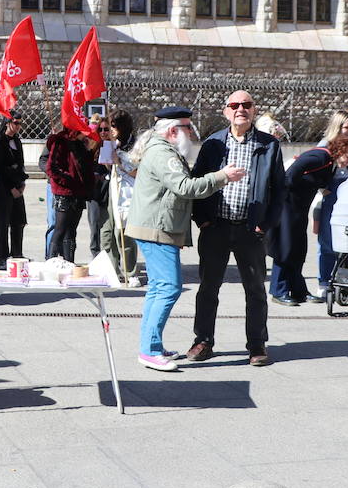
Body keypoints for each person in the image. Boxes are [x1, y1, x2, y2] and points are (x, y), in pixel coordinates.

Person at [125, 108, 241, 372]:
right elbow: (185, 187)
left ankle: (151, 345)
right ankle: (150, 350)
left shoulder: (162, 150)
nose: (191, 133)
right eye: (188, 128)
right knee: (168, 288)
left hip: (156, 226)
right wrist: (222, 176)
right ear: (172, 131)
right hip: (157, 228)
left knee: (158, 289)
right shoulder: (163, 153)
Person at [188, 90, 287, 367]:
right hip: (216, 227)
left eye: (246, 105)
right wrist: (202, 219)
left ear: (254, 110)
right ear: (226, 111)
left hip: (250, 230)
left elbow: (280, 190)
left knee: (255, 289)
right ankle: (203, 340)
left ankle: (256, 345)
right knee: (208, 288)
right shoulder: (213, 144)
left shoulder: (269, 145)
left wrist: (265, 224)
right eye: (235, 105)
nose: (240, 109)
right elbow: (198, 183)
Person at [269, 135, 348, 305]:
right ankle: (278, 290)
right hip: (288, 207)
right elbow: (290, 176)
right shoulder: (319, 157)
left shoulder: (330, 164)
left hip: (299, 209)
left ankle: (299, 290)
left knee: (298, 250)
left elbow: (317, 179)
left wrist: (321, 187)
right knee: (285, 248)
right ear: (340, 151)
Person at [314, 110, 348, 301]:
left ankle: (344, 280)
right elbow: (314, 170)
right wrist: (323, 190)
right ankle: (324, 281)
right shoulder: (325, 145)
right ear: (337, 126)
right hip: (331, 198)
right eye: (346, 127)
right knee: (327, 242)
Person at [100, 109, 142, 283]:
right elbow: (111, 168)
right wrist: (109, 161)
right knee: (107, 233)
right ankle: (112, 269)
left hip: (128, 194)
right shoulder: (113, 143)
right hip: (114, 191)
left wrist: (120, 162)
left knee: (123, 234)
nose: (111, 130)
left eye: (114, 126)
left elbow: (139, 173)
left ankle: (130, 273)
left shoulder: (136, 145)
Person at [44, 124, 95, 262]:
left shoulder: (80, 143)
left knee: (72, 230)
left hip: (78, 192)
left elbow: (85, 166)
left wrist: (90, 150)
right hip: (64, 191)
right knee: (60, 229)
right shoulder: (60, 141)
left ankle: (69, 262)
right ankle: (51, 260)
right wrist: (68, 179)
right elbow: (51, 167)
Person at [0, 110, 28, 270]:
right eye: (16, 123)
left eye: (20, 123)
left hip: (17, 186)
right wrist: (11, 187)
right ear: (8, 123)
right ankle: (2, 256)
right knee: (2, 224)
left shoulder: (17, 141)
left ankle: (17, 253)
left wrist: (22, 183)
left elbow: (20, 163)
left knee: (18, 221)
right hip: (3, 188)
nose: (18, 126)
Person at [85, 114, 111, 258]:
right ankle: (95, 253)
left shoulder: (115, 146)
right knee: (94, 224)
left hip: (109, 189)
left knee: (108, 224)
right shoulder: (92, 145)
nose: (103, 133)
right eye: (100, 130)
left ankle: (109, 253)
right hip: (94, 190)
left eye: (106, 129)